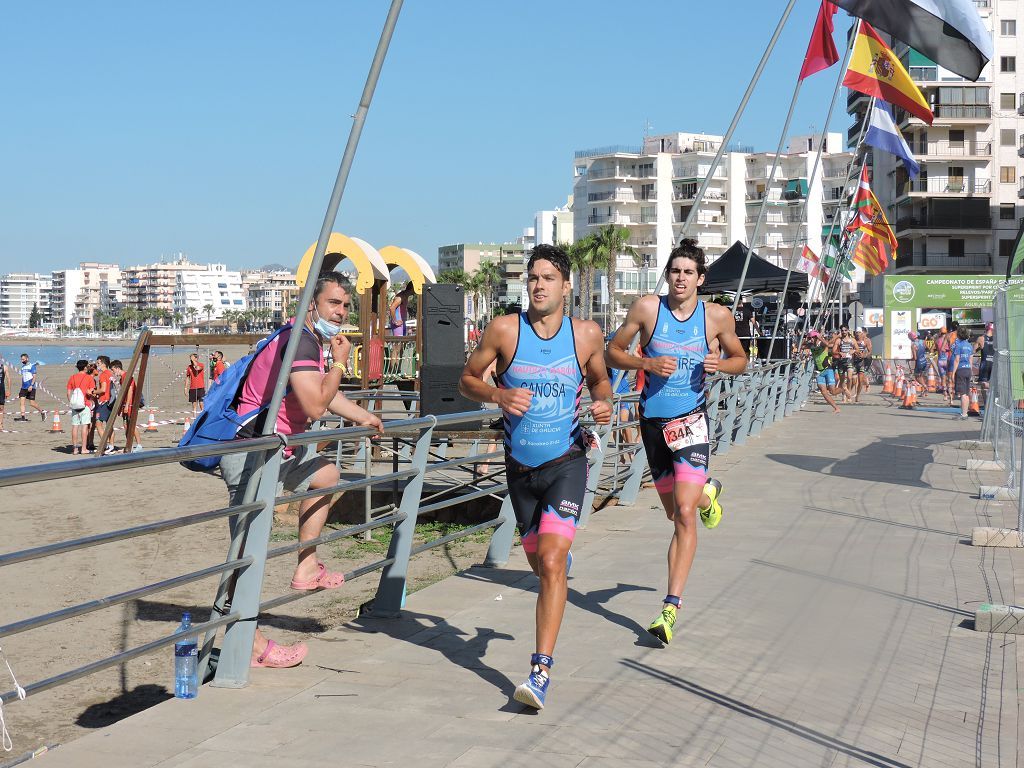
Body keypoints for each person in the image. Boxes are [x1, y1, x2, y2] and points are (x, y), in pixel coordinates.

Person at [459, 244, 613, 709]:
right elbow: (466, 380)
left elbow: (601, 380)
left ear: (566, 286)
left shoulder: (585, 335)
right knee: (543, 564)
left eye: (548, 277)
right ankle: (556, 565)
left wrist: (604, 402)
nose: (539, 285)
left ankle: (540, 671)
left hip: (567, 462)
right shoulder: (506, 330)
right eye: (533, 277)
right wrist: (498, 395)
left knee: (550, 562)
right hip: (520, 471)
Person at [220, 271, 383, 668]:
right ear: (311, 303)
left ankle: (306, 565)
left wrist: (366, 418)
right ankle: (250, 644)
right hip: (251, 452)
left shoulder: (308, 338)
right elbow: (315, 406)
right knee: (246, 552)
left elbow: (322, 395)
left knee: (326, 474)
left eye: (345, 305)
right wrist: (341, 364)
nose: (341, 312)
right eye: (334, 303)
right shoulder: (301, 340)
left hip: (281, 450)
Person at [606, 238, 747, 646]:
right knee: (675, 513)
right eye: (675, 271)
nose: (680, 278)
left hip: (691, 422)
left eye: (688, 272)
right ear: (667, 275)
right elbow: (613, 351)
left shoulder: (716, 317)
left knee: (683, 514)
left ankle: (670, 608)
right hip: (652, 423)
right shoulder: (647, 309)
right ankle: (709, 496)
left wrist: (720, 363)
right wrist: (645, 362)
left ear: (700, 279)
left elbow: (742, 360)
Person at [804, 330, 841, 414]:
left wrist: (820, 338)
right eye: (810, 338)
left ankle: (844, 388)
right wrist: (806, 339)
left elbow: (827, 344)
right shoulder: (811, 345)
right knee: (823, 392)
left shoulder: (821, 344)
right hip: (819, 371)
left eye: (813, 338)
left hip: (828, 369)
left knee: (833, 391)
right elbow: (802, 346)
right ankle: (836, 408)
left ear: (816, 337)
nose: (811, 339)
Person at [67, 359, 95, 455]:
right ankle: (83, 448)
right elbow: (91, 392)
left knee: (75, 426)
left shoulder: (72, 377)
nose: (88, 368)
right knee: (84, 426)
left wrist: (71, 401)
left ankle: (75, 449)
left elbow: (68, 392)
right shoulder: (89, 378)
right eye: (87, 366)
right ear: (84, 367)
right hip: (85, 404)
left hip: (75, 405)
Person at [91, 356, 115, 454]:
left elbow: (103, 389)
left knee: (98, 423)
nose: (97, 365)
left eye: (98, 363)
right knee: (109, 425)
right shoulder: (111, 373)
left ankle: (104, 445)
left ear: (104, 364)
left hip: (104, 401)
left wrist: (94, 391)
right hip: (111, 401)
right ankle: (111, 446)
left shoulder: (104, 374)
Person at [951, 327, 975, 419]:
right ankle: (965, 413)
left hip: (961, 370)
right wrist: (971, 371)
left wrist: (953, 373)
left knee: (963, 394)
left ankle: (964, 414)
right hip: (968, 369)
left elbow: (957, 360)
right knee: (966, 392)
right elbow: (971, 360)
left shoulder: (958, 345)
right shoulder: (969, 345)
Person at [16, 353, 45, 422]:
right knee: (22, 402)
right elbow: (24, 377)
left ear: (27, 359)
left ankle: (42, 412)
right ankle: (23, 417)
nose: (22, 360)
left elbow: (34, 377)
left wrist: (31, 385)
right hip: (23, 387)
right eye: (21, 359)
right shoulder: (23, 367)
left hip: (31, 387)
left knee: (32, 403)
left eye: (23, 359)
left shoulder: (32, 366)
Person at [976, 323, 994, 404]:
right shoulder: (998, 339)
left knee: (984, 385)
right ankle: (993, 402)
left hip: (985, 364)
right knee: (994, 385)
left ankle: (987, 403)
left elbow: (973, 350)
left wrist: (979, 347)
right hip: (994, 364)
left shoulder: (981, 338)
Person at [852, 329, 872, 402]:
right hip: (853, 362)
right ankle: (847, 393)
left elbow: (870, 351)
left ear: (862, 333)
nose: (858, 334)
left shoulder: (866, 340)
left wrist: (864, 355)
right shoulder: (853, 340)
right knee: (853, 379)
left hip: (861, 362)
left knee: (860, 381)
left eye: (859, 332)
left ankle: (857, 395)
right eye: (856, 332)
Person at [935, 327, 951, 404]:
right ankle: (951, 398)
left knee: (943, 378)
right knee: (950, 378)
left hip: (940, 360)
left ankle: (945, 395)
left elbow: (934, 349)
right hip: (947, 360)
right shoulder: (949, 339)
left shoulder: (937, 340)